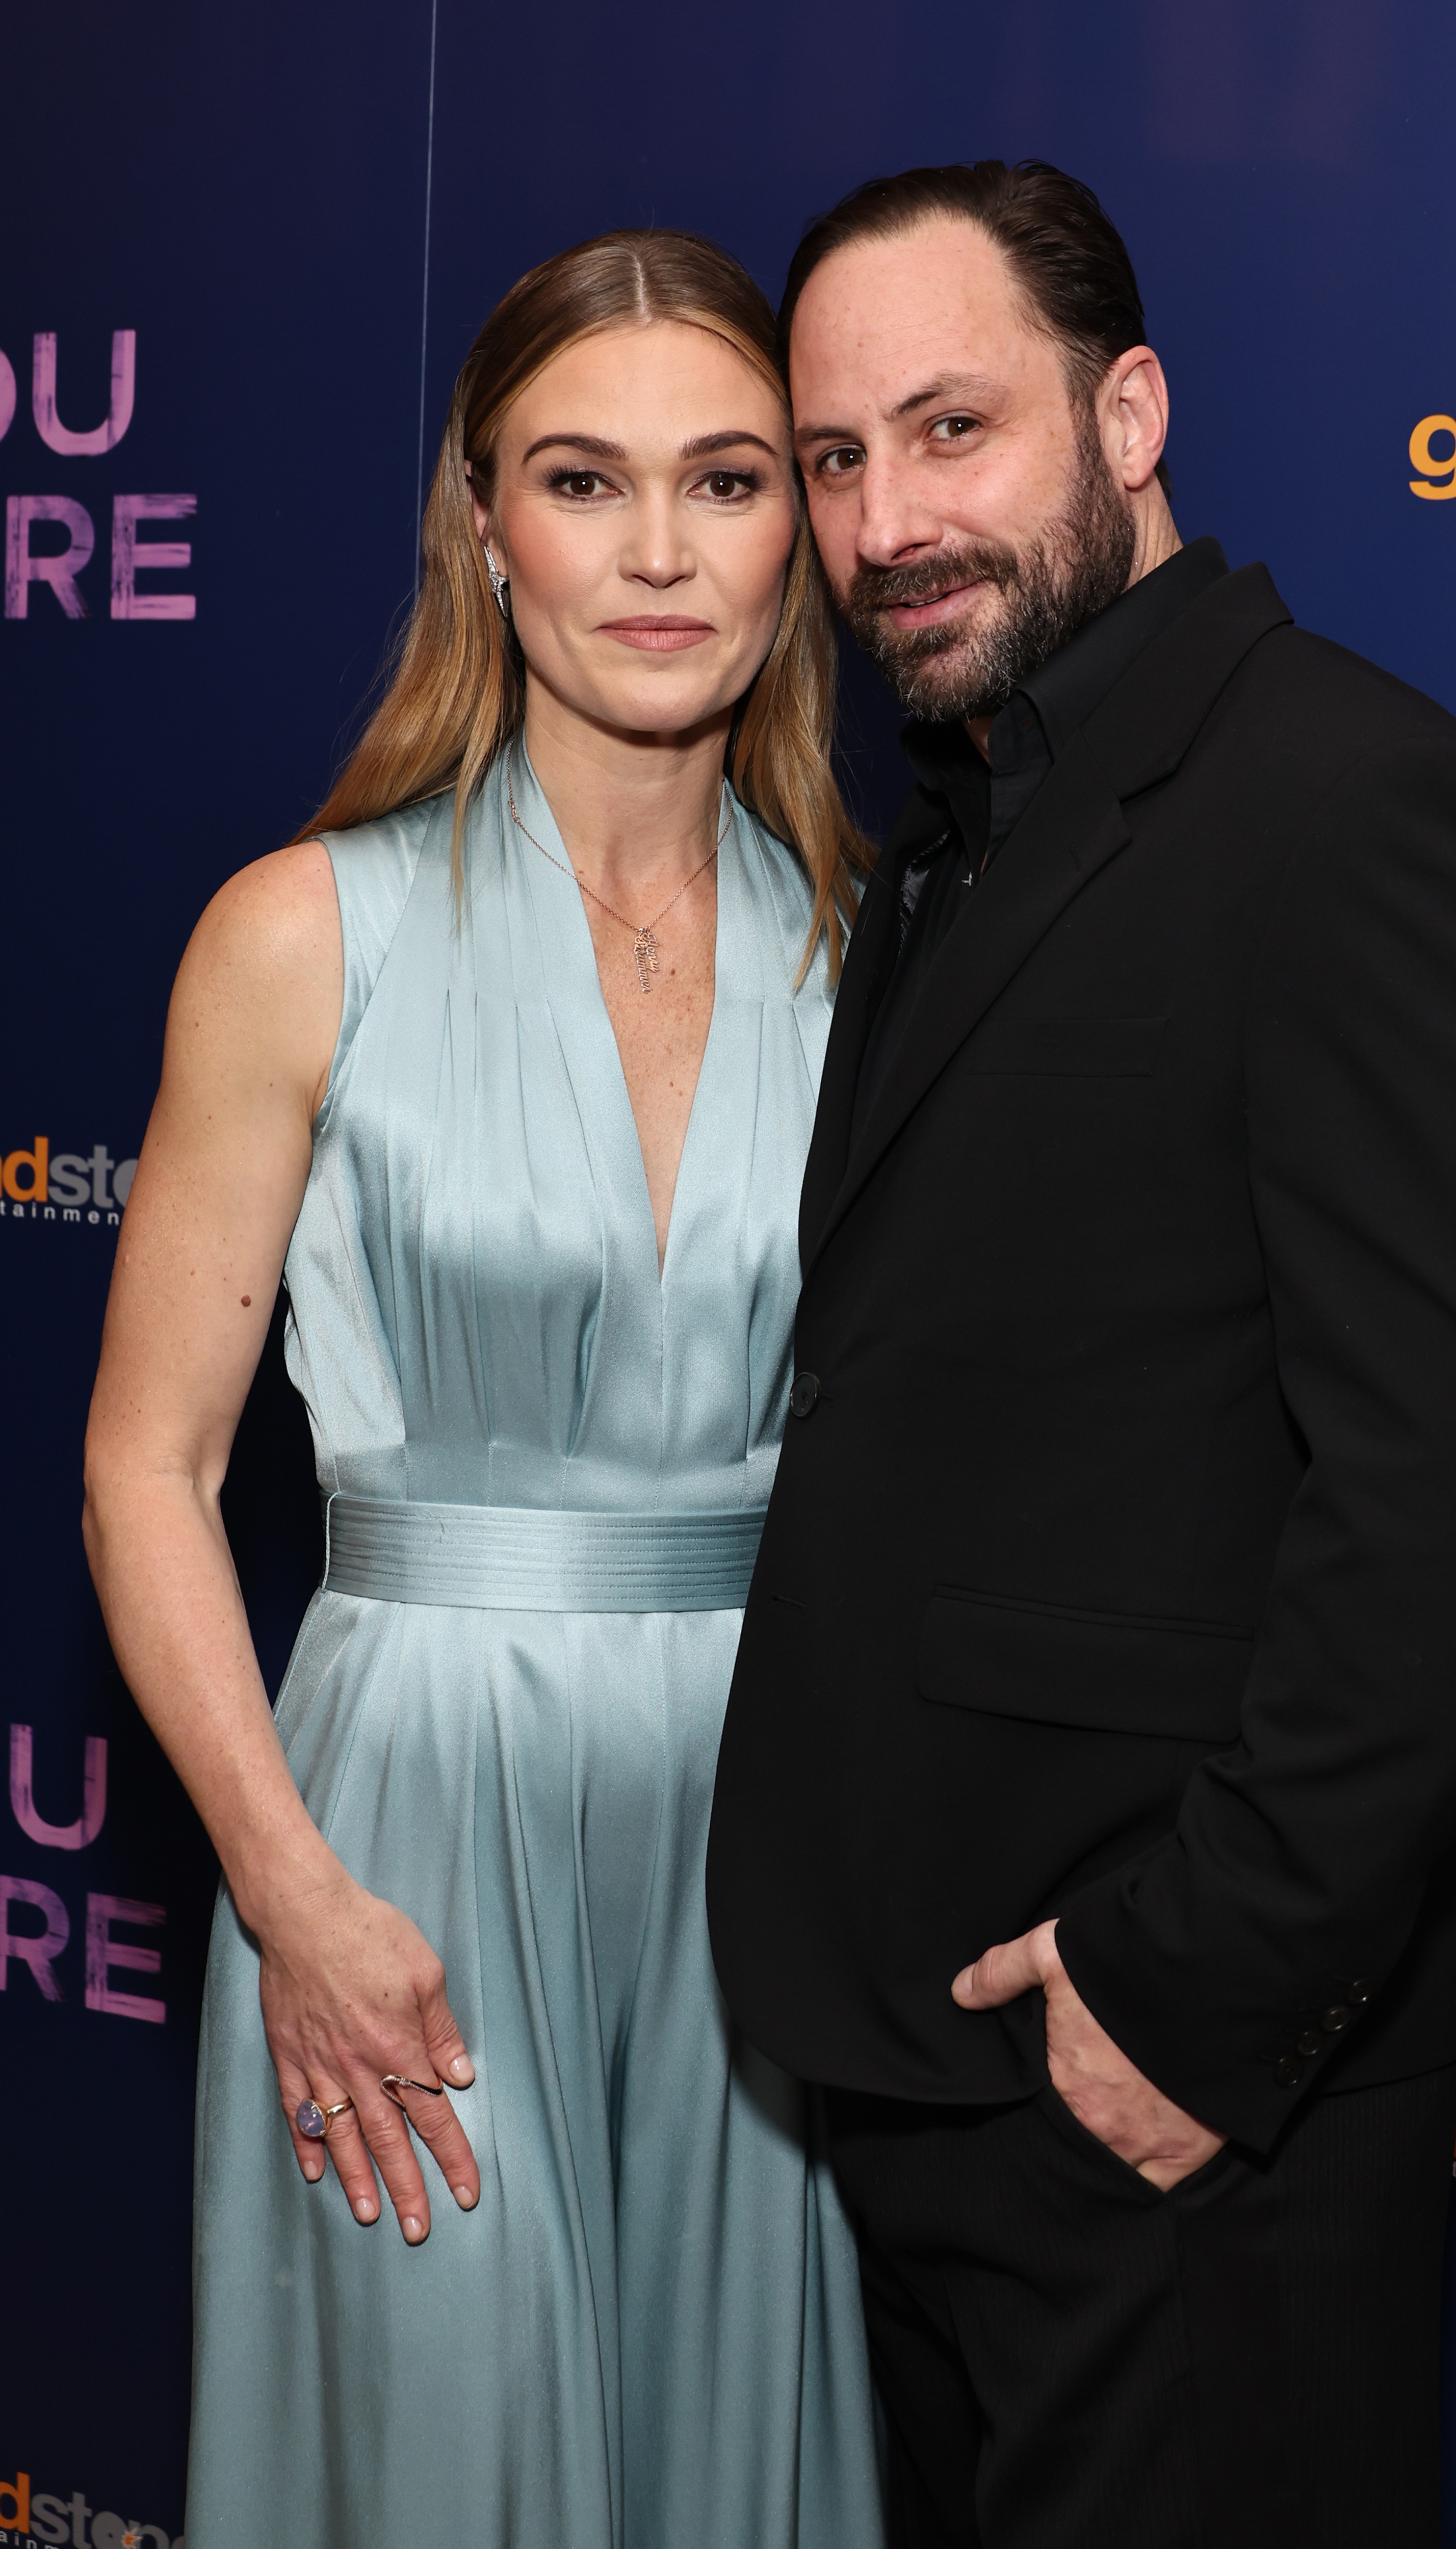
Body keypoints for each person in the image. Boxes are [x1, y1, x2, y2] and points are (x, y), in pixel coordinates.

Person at [706, 160, 1456, 2548]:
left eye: (951, 430)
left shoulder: (1360, 808)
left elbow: (1448, 1483)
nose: (887, 519)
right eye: (833, 457)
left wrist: (1190, 1996)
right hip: (938, 2073)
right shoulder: (952, 831)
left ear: (1131, 411)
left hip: (1172, 2110)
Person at [83, 231, 884, 2549]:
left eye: (727, 481)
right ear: (483, 518)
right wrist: (285, 1886)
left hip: (772, 1836)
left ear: (801, 533)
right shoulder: (298, 930)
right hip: (398, 1832)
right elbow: (147, 1467)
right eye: (583, 477)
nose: (656, 552)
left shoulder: (886, 961)